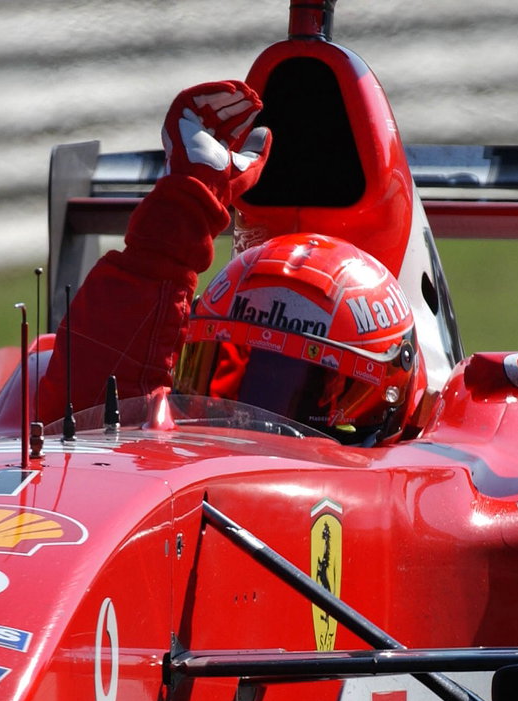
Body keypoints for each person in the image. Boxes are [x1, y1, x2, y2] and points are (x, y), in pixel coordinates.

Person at [36, 80, 419, 445]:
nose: (242, 419)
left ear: (380, 399)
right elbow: (92, 423)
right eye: (222, 382)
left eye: (298, 391)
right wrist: (179, 218)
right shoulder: (180, 446)